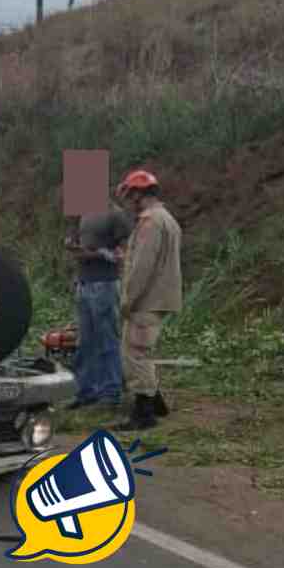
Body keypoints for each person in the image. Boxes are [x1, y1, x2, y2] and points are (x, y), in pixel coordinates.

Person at [115, 169, 183, 430]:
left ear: (138, 195)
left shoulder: (150, 222)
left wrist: (127, 300)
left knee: (134, 354)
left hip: (146, 299)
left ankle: (143, 414)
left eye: (130, 196)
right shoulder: (167, 219)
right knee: (142, 351)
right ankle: (156, 403)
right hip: (159, 297)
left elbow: (142, 267)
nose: (129, 203)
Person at [66, 205, 133, 410]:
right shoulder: (85, 214)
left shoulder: (116, 215)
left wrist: (101, 254)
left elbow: (125, 252)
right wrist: (74, 247)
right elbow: (81, 245)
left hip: (105, 283)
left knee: (107, 339)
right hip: (85, 283)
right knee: (85, 341)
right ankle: (85, 391)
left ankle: (111, 393)